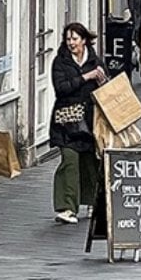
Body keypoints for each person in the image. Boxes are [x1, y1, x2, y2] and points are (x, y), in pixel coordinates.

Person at [49, 23, 107, 224]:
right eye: (68, 39)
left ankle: (92, 202)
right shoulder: (60, 62)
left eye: (75, 39)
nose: (71, 43)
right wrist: (85, 77)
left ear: (84, 40)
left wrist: (102, 81)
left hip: (90, 120)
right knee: (70, 160)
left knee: (91, 162)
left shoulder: (95, 61)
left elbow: (106, 87)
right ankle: (67, 207)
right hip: (66, 120)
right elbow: (61, 88)